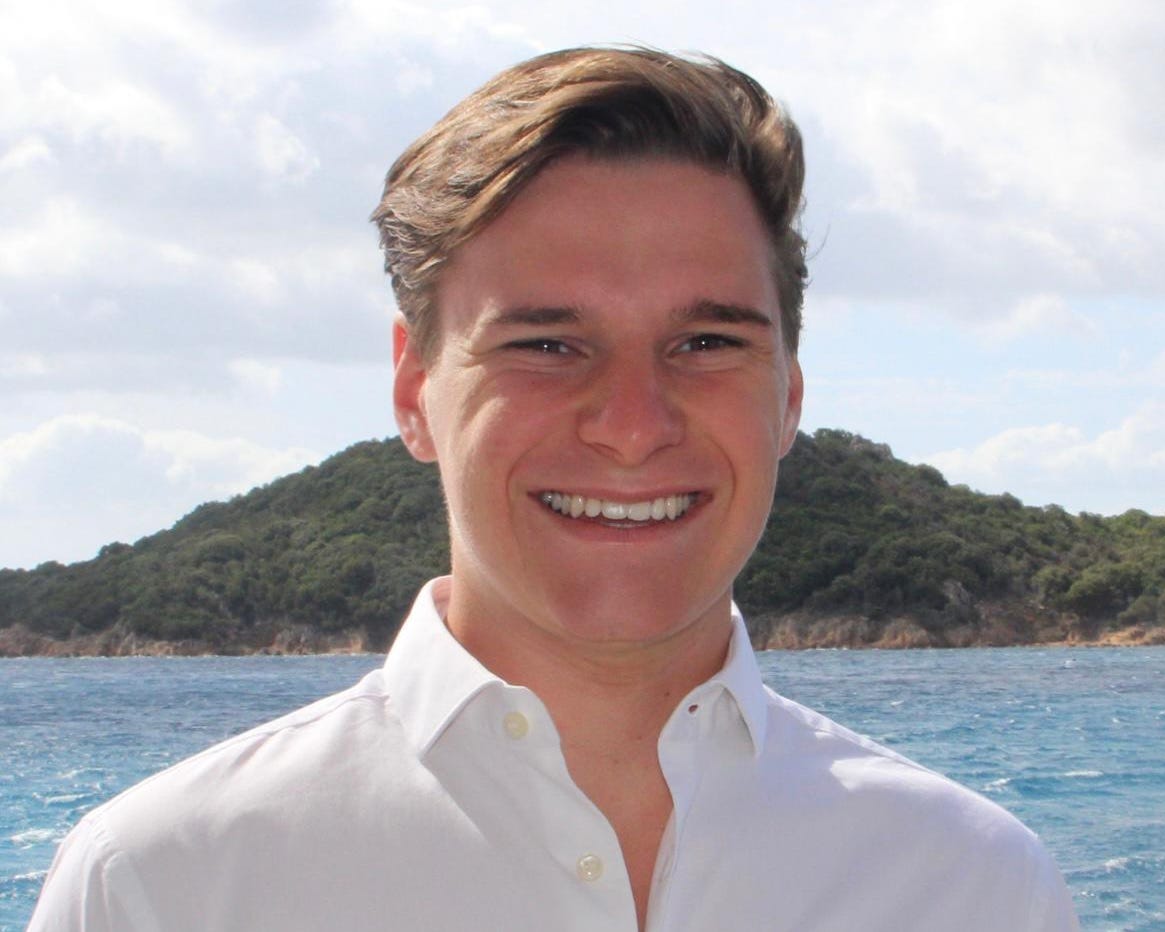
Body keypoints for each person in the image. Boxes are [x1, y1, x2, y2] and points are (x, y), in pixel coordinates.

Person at [29, 47, 1079, 931]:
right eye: (547, 342)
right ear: (413, 388)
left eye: (705, 341)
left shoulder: (973, 885)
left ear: (788, 395)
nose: (631, 422)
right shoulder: (162, 885)